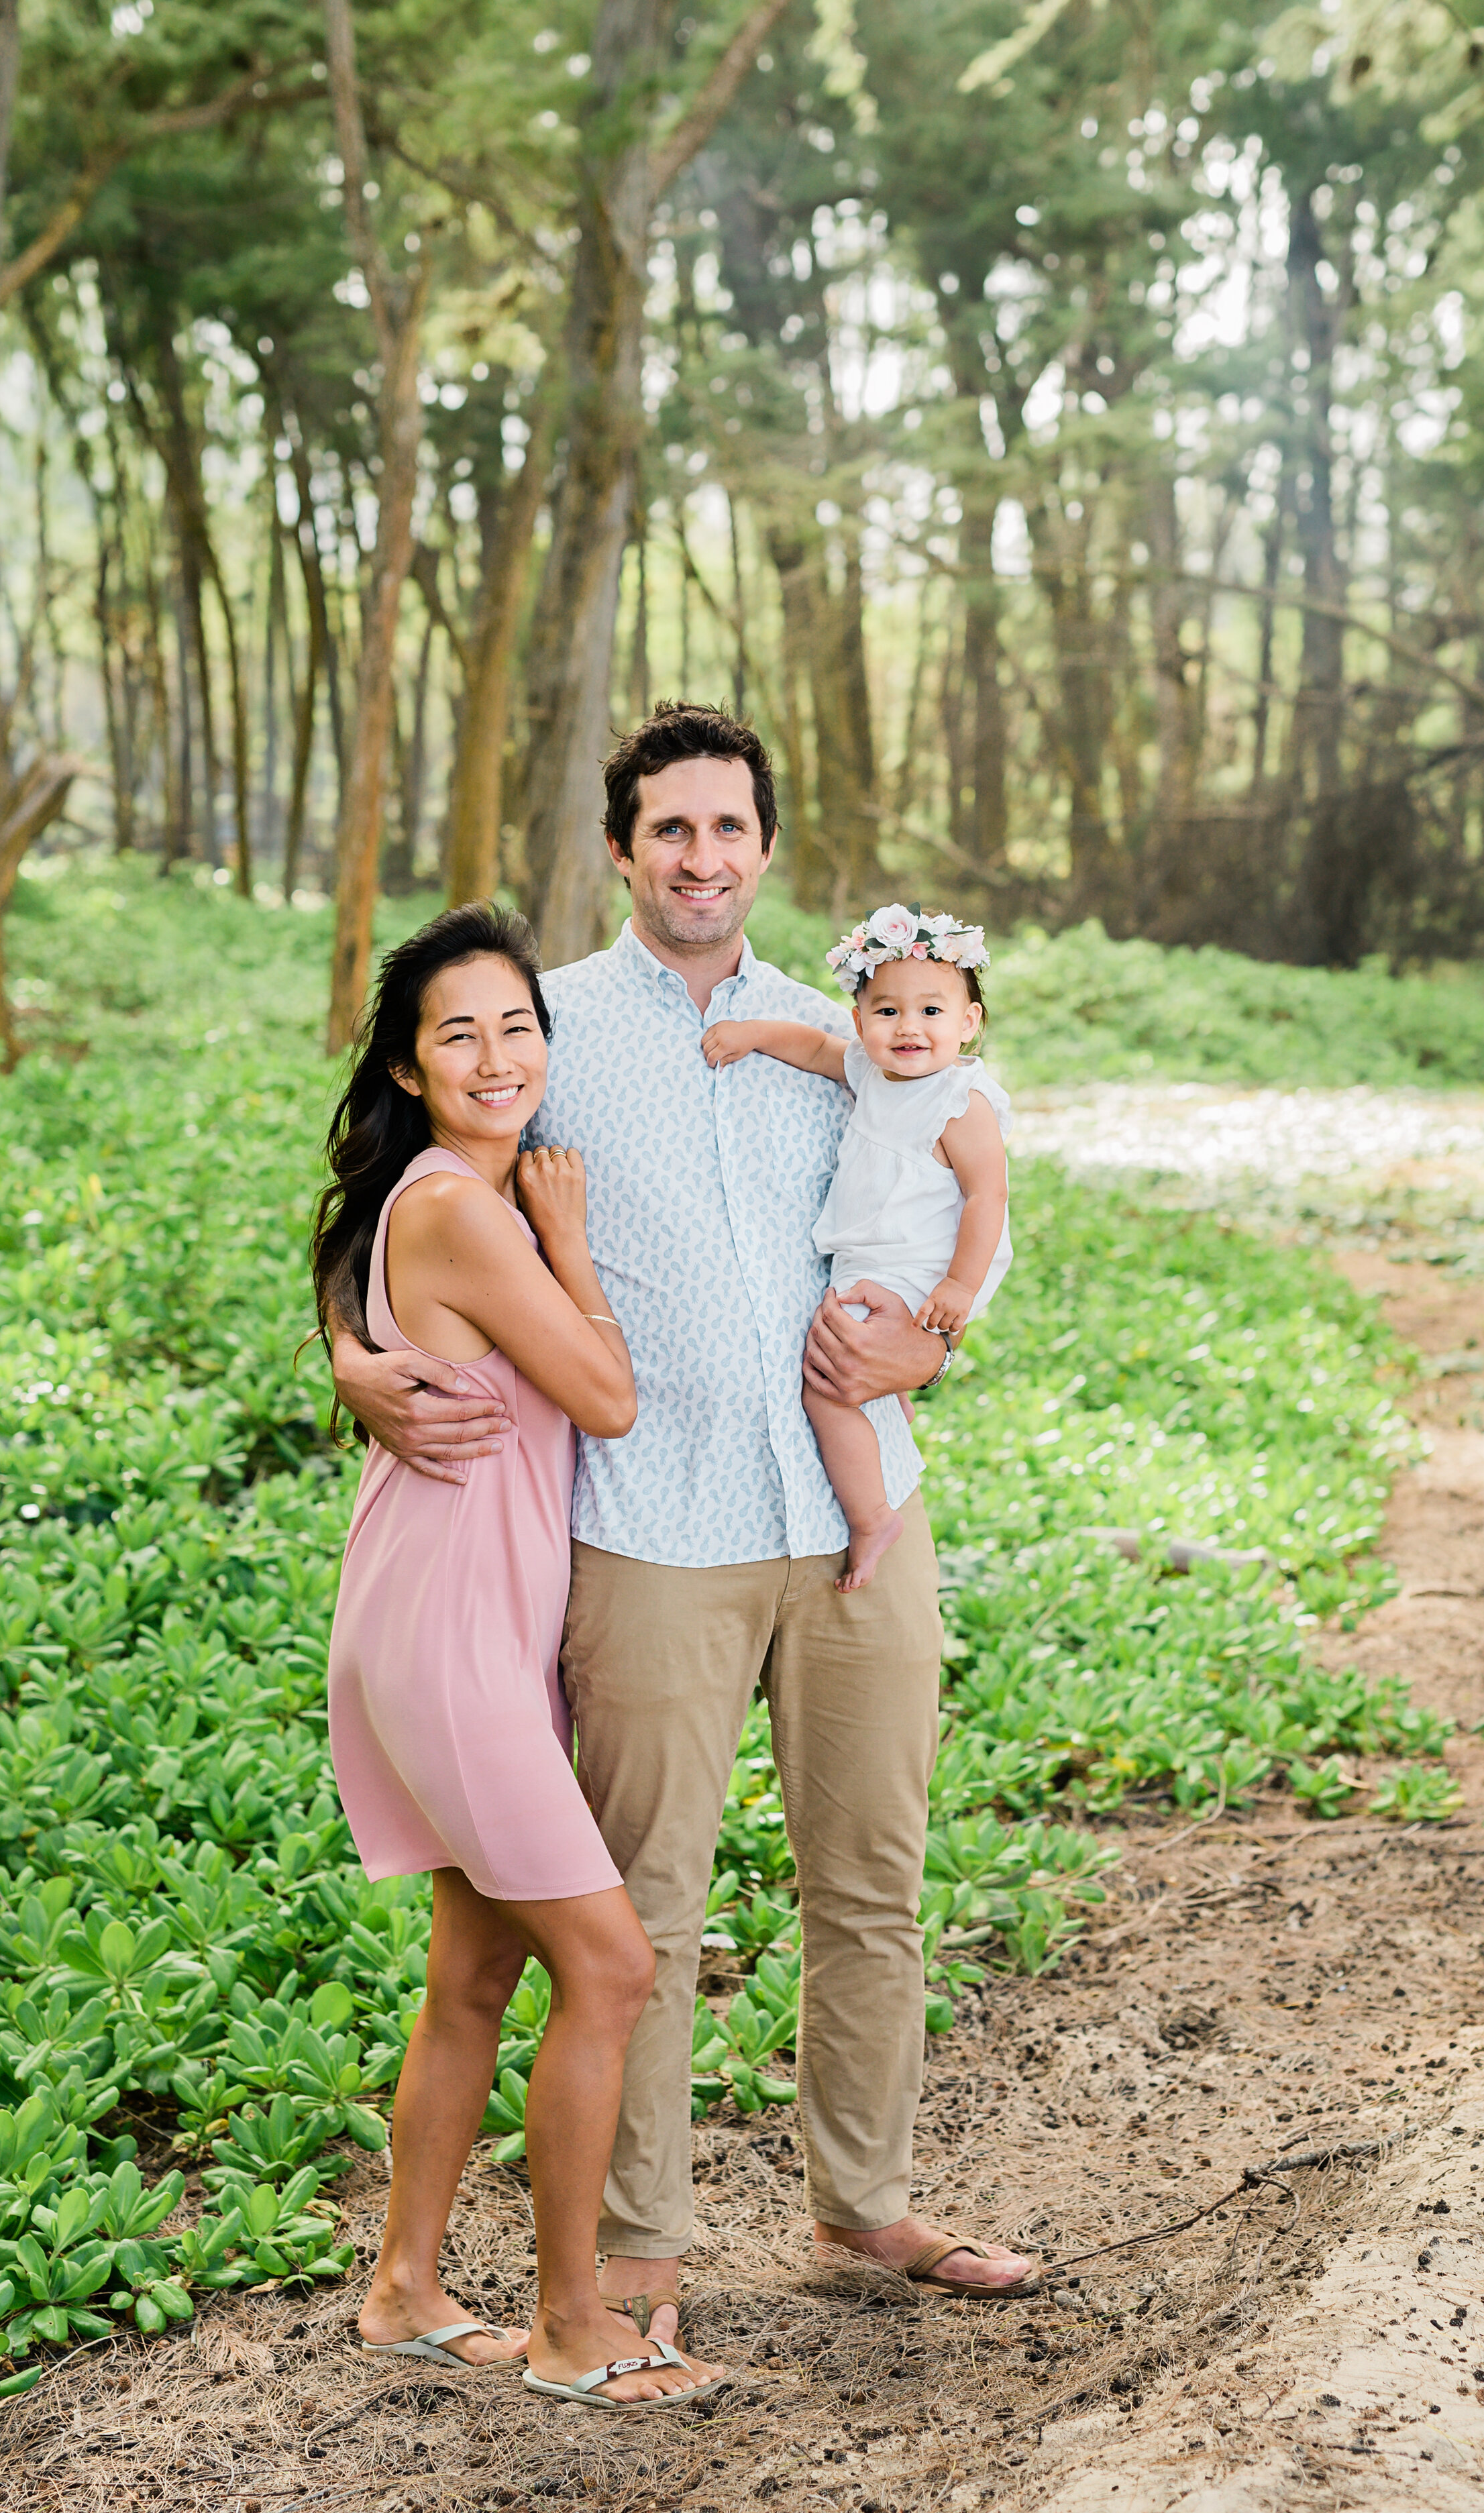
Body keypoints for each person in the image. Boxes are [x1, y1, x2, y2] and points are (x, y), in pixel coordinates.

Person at [331, 706, 1036, 2349]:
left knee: (872, 1878)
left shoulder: (855, 1028)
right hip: (651, 1531)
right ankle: (635, 2257)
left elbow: (967, 1211)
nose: (702, 858)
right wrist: (359, 1360)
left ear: (768, 849)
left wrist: (939, 1338)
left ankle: (864, 2203)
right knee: (640, 1908)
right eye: (671, 832)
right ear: (621, 849)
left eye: (729, 830)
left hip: (856, 1513)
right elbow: (407, 1191)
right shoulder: (546, 1029)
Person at [314, 902, 728, 2411]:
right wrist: (566, 1239)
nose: (497, 1056)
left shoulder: (427, 1197)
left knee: (476, 1966)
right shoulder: (470, 1211)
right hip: (449, 1639)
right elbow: (606, 1396)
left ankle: (404, 2287)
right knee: (610, 1968)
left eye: (516, 1027)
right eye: (457, 1034)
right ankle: (571, 2324)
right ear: (411, 1069)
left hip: (457, 1621)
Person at [701, 904, 1011, 1590]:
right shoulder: (873, 1073)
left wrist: (958, 1286)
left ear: (968, 1024)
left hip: (921, 1263)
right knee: (856, 1362)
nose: (909, 1028)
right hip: (869, 1255)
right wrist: (752, 1034)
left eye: (932, 1012)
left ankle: (871, 1515)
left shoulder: (960, 1102)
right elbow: (812, 1048)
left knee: (826, 1388)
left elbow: (987, 1198)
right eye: (887, 1011)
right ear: (861, 1020)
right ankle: (891, 1404)